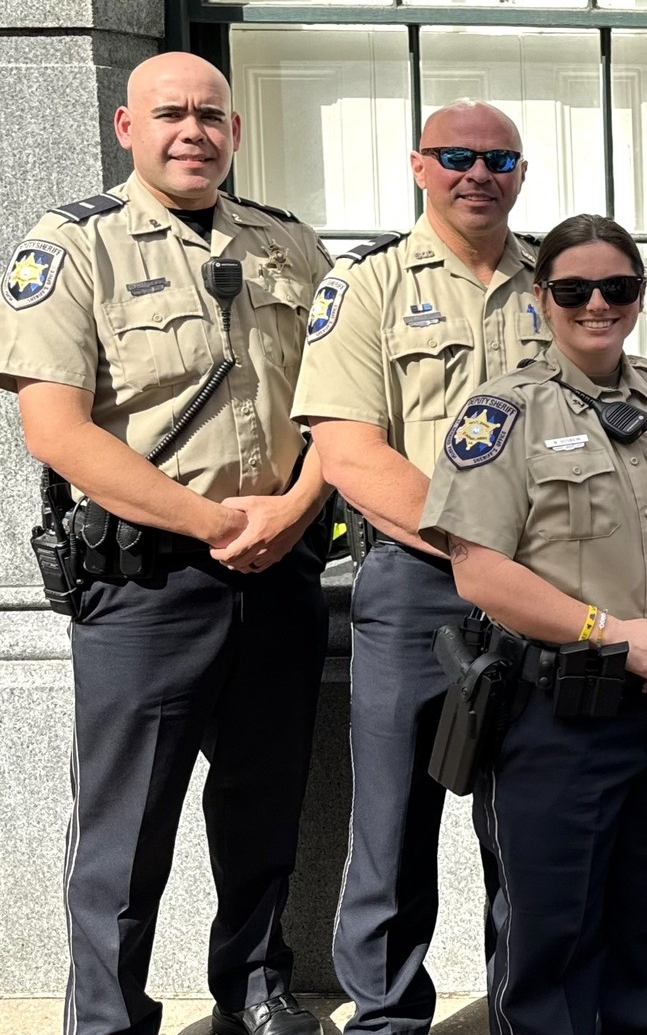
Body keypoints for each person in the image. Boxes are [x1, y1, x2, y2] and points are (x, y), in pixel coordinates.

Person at [0, 51, 331, 1035]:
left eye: (211, 115)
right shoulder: (72, 244)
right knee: (125, 825)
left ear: (234, 128)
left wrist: (294, 511)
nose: (193, 131)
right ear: (126, 128)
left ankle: (256, 983)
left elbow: (344, 409)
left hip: (280, 566)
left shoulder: (287, 244)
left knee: (264, 801)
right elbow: (56, 427)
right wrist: (211, 522)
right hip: (145, 582)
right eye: (171, 114)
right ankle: (105, 1015)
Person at [414, 213, 647, 1035]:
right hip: (556, 708)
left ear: (640, 297)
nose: (596, 303)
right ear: (542, 299)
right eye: (573, 289)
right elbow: (479, 568)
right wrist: (609, 630)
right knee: (550, 928)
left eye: (618, 287)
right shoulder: (504, 411)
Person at [292, 98, 545, 1034]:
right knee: (395, 818)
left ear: (521, 172)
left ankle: (526, 1003)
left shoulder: (557, 280)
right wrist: (471, 544)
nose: (478, 172)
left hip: (537, 583)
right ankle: (389, 1013)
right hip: (412, 580)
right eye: (456, 156)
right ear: (418, 165)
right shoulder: (367, 286)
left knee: (526, 814)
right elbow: (349, 449)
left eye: (499, 158)